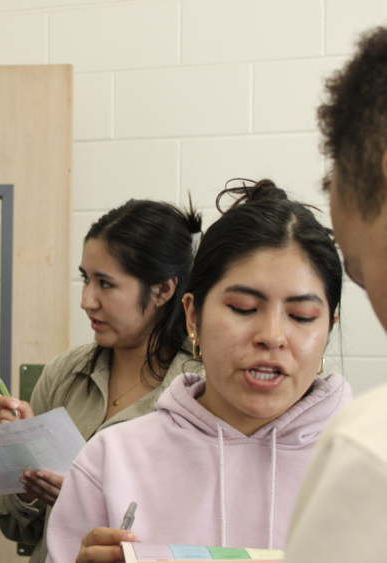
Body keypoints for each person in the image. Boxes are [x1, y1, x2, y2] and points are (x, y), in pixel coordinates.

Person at [46, 181, 352, 563]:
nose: (272, 337)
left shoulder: (369, 461)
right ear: (193, 315)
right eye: (243, 308)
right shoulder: (111, 460)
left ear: (329, 327)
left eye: (301, 316)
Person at [0, 199, 204, 563]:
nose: (87, 300)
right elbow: (17, 528)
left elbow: (196, 531)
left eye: (106, 284)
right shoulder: (64, 374)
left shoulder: (198, 391)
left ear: (163, 291)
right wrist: (20, 461)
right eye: (86, 279)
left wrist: (85, 501)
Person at [281, 26, 387, 563]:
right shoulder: (119, 450)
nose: (271, 337)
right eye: (242, 307)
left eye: (363, 273)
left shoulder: (368, 448)